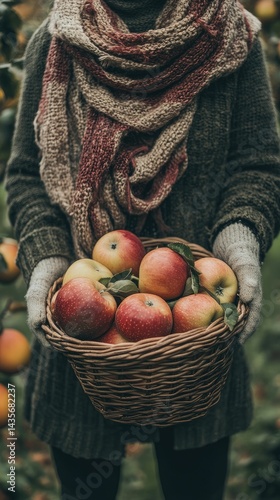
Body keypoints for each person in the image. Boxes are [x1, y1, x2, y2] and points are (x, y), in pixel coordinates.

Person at [5, 0, 280, 499]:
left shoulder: (228, 34)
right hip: (86, 340)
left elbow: (256, 165)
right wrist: (47, 260)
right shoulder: (59, 39)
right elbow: (27, 176)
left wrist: (238, 241)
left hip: (198, 343)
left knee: (194, 485)